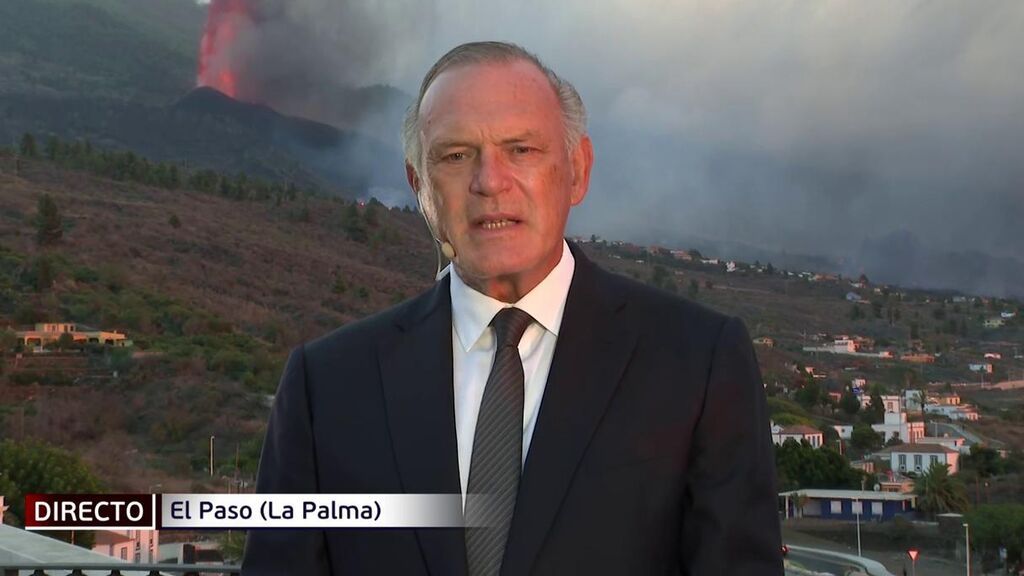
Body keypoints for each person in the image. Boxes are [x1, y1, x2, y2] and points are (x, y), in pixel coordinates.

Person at [242, 41, 783, 575]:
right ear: (419, 185)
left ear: (578, 170)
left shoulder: (697, 363)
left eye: (520, 149)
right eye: (456, 156)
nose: (489, 181)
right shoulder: (328, 385)